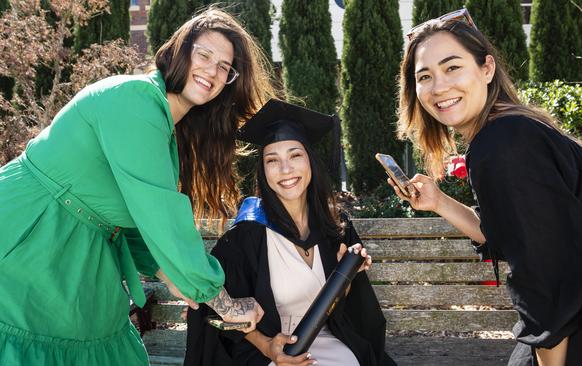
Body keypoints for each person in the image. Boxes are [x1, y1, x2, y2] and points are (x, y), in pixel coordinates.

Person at [0, 7, 277, 366]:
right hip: (29, 234)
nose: (212, 69)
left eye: (224, 67)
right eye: (204, 54)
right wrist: (221, 300)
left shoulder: (166, 132)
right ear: (179, 52)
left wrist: (171, 273)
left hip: (81, 250)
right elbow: (161, 215)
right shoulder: (136, 99)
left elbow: (135, 223)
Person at [390, 8, 582, 366]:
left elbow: (544, 273)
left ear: (487, 69)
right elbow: (518, 236)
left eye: (452, 67)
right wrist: (439, 202)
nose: (439, 87)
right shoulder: (507, 128)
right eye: (424, 76)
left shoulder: (502, 143)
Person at [185, 99, 396, 366]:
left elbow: (346, 310)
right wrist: (269, 348)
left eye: (295, 155)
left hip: (328, 338)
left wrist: (350, 273)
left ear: (310, 161)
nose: (285, 170)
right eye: (272, 160)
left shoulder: (335, 226)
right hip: (268, 348)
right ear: (263, 170)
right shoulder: (247, 235)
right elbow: (218, 313)